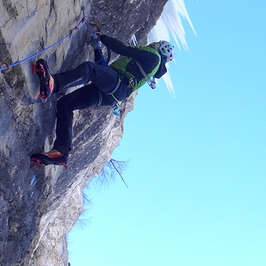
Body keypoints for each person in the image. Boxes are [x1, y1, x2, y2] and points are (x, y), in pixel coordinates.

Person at [30, 34, 174, 167]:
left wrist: (102, 37)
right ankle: (61, 151)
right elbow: (105, 71)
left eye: (155, 43)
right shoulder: (151, 66)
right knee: (66, 104)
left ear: (159, 47)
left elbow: (123, 49)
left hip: (119, 83)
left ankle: (54, 84)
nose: (152, 43)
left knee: (90, 70)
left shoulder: (153, 55)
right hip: (114, 93)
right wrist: (97, 50)